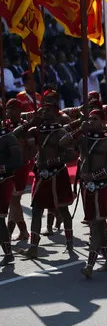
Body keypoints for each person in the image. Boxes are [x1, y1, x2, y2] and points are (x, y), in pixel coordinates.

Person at [60, 109, 107, 278]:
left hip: (103, 187)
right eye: (90, 119)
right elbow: (63, 142)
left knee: (96, 224)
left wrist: (96, 175)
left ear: (103, 121)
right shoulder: (83, 138)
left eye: (95, 119)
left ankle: (90, 265)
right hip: (88, 188)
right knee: (98, 224)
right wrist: (80, 129)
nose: (92, 122)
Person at [16, 102, 76, 258]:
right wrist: (30, 123)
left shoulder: (60, 131)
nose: (43, 112)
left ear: (55, 113)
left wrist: (51, 161)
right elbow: (14, 136)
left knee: (63, 210)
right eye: (42, 110)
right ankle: (33, 248)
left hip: (58, 174)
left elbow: (70, 155)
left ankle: (69, 244)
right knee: (36, 210)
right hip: (41, 175)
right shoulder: (35, 131)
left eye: (47, 110)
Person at [5, 99, 34, 241]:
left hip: (20, 166)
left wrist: (26, 160)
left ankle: (13, 232)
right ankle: (19, 232)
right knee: (12, 200)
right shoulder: (6, 125)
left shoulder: (25, 127)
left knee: (14, 200)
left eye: (10, 109)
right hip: (8, 167)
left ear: (17, 110)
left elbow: (31, 148)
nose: (7, 112)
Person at [0, 114, 24, 265]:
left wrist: (2, 168)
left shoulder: (8, 138)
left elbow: (17, 161)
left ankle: (8, 254)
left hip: (4, 180)